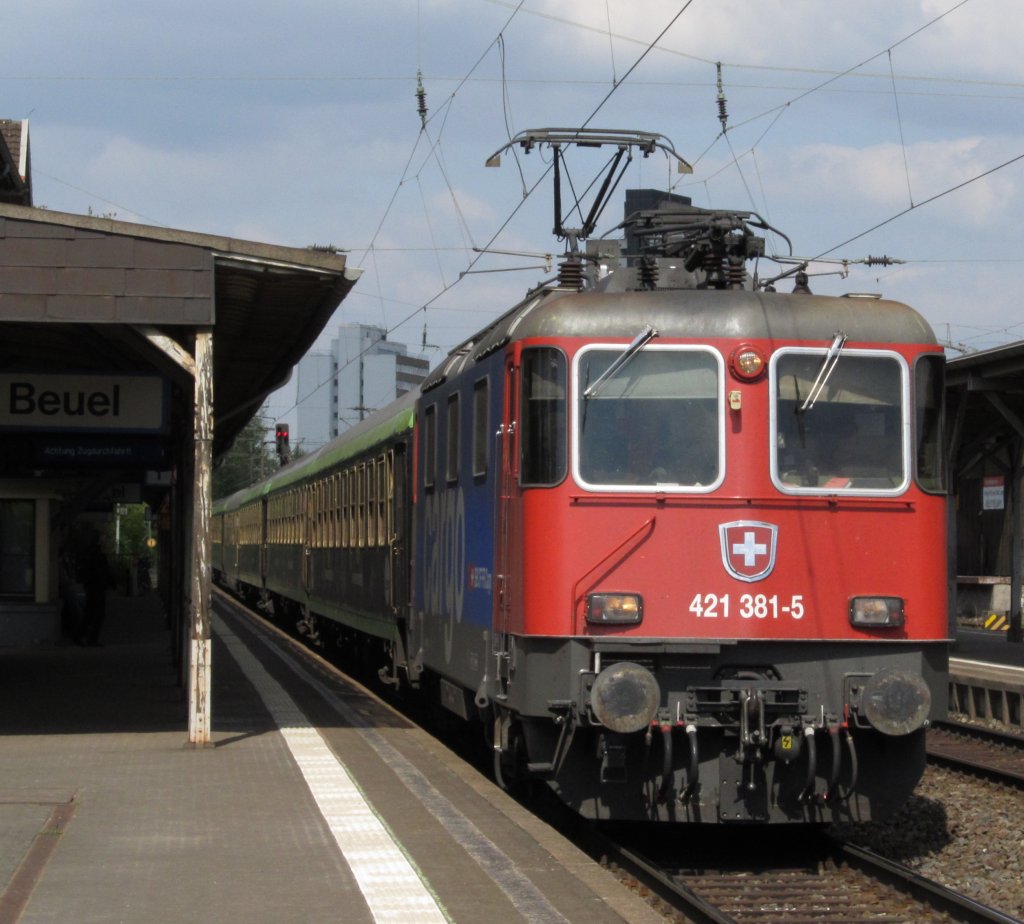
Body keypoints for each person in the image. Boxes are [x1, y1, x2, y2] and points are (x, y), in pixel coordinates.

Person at [78, 527, 113, 646]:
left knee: (90, 612)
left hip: (91, 586)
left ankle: (82, 635)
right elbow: (102, 571)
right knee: (98, 613)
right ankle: (91, 638)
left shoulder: (89, 553)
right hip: (97, 587)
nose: (105, 539)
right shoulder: (98, 555)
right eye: (103, 537)